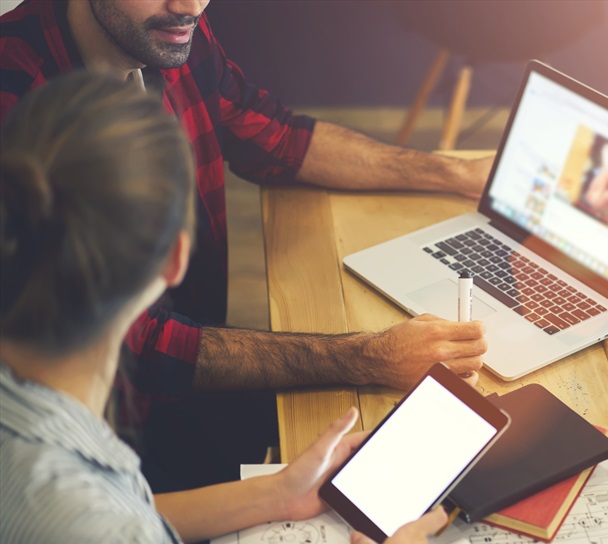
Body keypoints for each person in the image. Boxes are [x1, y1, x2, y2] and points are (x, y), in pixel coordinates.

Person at [0, 70, 443, 544]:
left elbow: (110, 514)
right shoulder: (89, 541)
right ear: (176, 259)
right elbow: (91, 539)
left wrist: (275, 495)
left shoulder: (40, 428)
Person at [0, 0, 491, 498]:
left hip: (188, 374)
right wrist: (366, 356)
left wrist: (454, 173)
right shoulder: (14, 97)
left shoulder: (168, 29)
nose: (190, 6)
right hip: (99, 433)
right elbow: (137, 342)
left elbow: (272, 136)